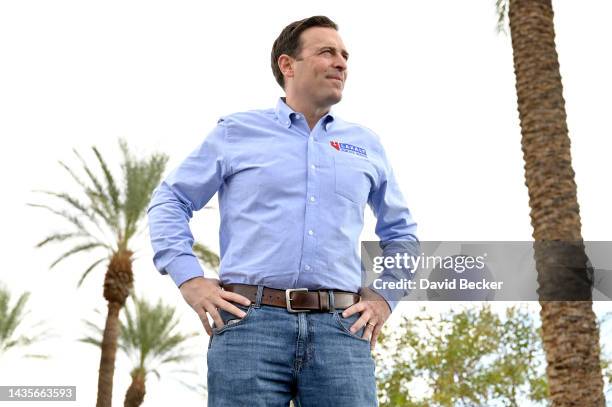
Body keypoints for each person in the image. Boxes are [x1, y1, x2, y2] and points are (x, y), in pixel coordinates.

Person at [147, 15, 418, 407]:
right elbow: (169, 201)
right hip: (248, 326)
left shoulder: (367, 145)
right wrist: (190, 279)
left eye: (345, 55)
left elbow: (402, 234)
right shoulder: (235, 132)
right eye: (327, 52)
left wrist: (384, 297)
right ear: (287, 65)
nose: (341, 62)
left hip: (341, 332)